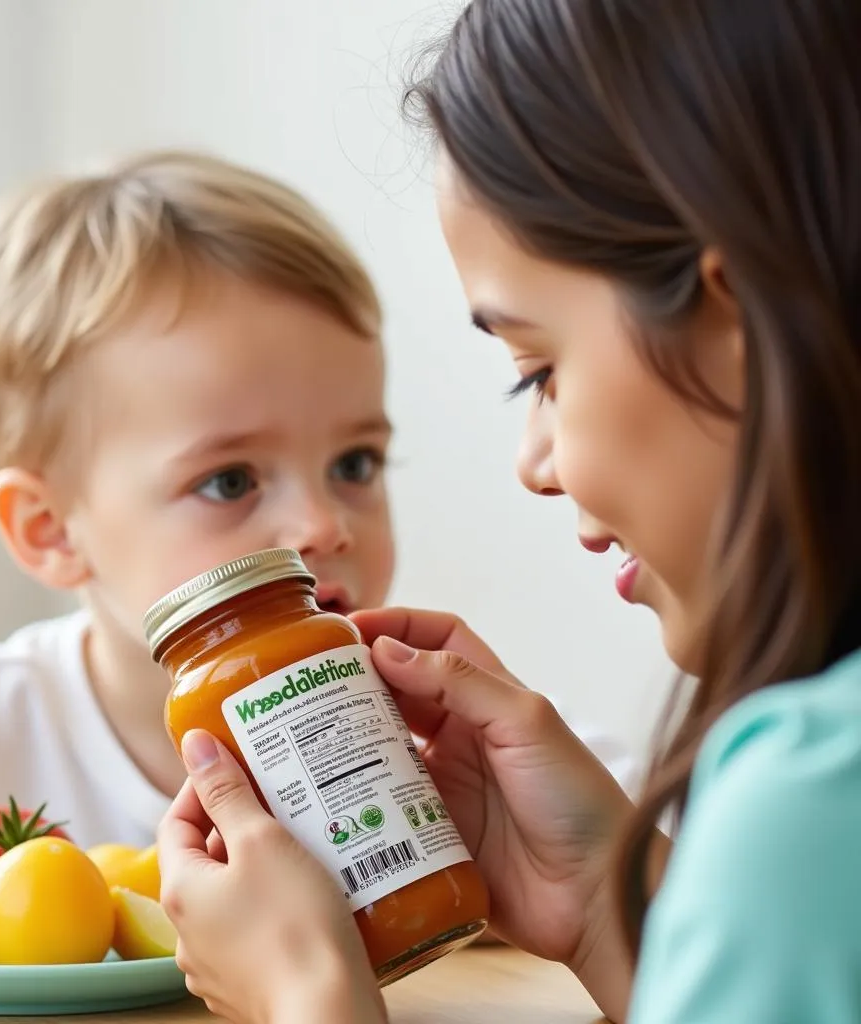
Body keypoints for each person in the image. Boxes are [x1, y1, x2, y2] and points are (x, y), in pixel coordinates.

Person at [154, 2, 861, 1022]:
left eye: (537, 370)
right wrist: (604, 915)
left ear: (732, 320)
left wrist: (309, 1001)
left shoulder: (807, 808)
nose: (531, 464)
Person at [0, 150, 633, 916]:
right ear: (51, 532)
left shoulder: (425, 723)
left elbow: (639, 835)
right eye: (230, 481)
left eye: (355, 463)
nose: (322, 524)